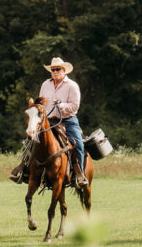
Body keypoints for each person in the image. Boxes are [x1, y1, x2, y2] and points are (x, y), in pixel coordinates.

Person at [13, 56, 89, 188]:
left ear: (64, 70)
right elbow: (42, 103)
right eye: (52, 69)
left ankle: (79, 175)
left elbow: (75, 106)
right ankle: (24, 170)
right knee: (30, 141)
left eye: (57, 69)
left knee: (78, 145)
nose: (54, 71)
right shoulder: (45, 84)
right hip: (48, 120)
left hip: (68, 120)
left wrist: (61, 106)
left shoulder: (72, 86)